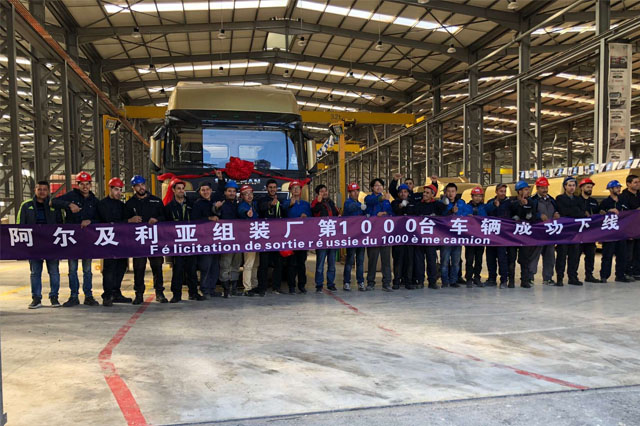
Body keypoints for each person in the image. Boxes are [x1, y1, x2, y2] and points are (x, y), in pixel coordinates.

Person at [51, 171, 100, 307]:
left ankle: (88, 296)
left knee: (87, 270)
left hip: (87, 240)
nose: (85, 187)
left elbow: (100, 218)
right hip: (72, 240)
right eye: (82, 184)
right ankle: (74, 296)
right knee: (72, 269)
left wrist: (91, 221)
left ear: (90, 185)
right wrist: (68, 205)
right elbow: (53, 202)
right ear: (77, 184)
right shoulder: (71, 196)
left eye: (87, 184)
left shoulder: (94, 201)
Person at [18, 181, 63, 309]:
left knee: (54, 272)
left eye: (44, 189)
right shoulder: (26, 206)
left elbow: (62, 224)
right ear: (35, 190)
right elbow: (19, 225)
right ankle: (36, 298)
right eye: (39, 189)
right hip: (34, 245)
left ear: (48, 191)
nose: (42, 191)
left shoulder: (54, 205)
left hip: (52, 244)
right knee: (35, 272)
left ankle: (54, 297)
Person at [124, 175, 167, 304]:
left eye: (142, 184)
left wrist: (157, 219)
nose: (141, 187)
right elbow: (122, 223)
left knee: (157, 267)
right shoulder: (130, 204)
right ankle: (139, 294)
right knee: (139, 268)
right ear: (133, 188)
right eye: (138, 185)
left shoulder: (156, 201)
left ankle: (159, 292)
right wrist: (130, 220)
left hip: (154, 241)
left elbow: (165, 216)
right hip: (139, 242)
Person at [165, 179, 204, 303]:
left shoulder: (192, 204)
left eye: (183, 188)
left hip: (191, 242)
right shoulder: (169, 207)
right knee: (178, 270)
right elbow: (165, 224)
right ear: (173, 190)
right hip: (177, 244)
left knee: (192, 269)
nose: (181, 191)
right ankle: (176, 295)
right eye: (179, 189)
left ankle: (193, 293)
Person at [97, 177, 133, 307]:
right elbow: (109, 221)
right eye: (116, 189)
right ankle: (107, 295)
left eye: (120, 190)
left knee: (121, 267)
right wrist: (127, 222)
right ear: (110, 189)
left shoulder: (122, 206)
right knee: (109, 269)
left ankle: (116, 292)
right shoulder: (102, 205)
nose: (119, 192)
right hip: (108, 242)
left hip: (122, 242)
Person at [253, 179, 286, 296]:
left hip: (277, 236)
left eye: (274, 187)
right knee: (264, 264)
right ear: (267, 188)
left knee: (278, 263)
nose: (272, 189)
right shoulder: (262, 200)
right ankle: (262, 287)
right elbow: (260, 209)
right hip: (265, 236)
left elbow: (284, 215)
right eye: (270, 187)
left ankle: (276, 287)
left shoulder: (280, 201)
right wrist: (269, 205)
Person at [191, 181, 222, 298]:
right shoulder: (198, 204)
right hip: (204, 240)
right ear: (199, 192)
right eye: (203, 190)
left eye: (207, 190)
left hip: (216, 239)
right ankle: (205, 289)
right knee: (206, 266)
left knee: (215, 265)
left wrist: (220, 179)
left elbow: (220, 191)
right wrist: (209, 218)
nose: (205, 192)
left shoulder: (214, 202)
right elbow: (194, 220)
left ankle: (212, 288)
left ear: (211, 191)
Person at [411, 184, 445, 289]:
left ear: (432, 195)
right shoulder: (417, 205)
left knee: (431, 260)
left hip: (431, 239)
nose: (424, 194)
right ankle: (420, 281)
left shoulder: (437, 205)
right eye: (424, 192)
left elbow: (446, 215)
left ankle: (432, 281)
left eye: (427, 193)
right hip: (419, 238)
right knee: (419, 261)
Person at [529, 177, 560, 286]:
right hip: (537, 234)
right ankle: (530, 277)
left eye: (546, 187)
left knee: (550, 256)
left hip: (550, 234)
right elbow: (529, 214)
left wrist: (557, 213)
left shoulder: (552, 200)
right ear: (537, 188)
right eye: (542, 188)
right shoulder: (533, 201)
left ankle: (548, 278)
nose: (545, 190)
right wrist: (538, 216)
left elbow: (557, 210)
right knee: (534, 256)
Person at [364, 178, 393, 291]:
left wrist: (386, 213)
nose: (379, 187)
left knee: (386, 260)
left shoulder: (387, 201)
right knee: (373, 259)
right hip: (373, 234)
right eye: (376, 185)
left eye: (380, 185)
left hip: (385, 234)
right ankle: (370, 282)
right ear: (372, 187)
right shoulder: (369, 198)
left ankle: (386, 282)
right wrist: (377, 214)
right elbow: (371, 204)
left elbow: (391, 212)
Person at [439, 182, 470, 288]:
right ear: (445, 192)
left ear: (456, 192)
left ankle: (453, 280)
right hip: (445, 237)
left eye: (453, 191)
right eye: (448, 191)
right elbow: (440, 216)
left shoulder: (461, 203)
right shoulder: (442, 204)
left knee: (456, 261)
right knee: (444, 261)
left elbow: (467, 213)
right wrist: (450, 211)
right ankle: (445, 281)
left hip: (458, 237)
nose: (451, 193)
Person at [599, 180, 630, 283]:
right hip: (609, 234)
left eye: (619, 187)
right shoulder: (605, 202)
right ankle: (604, 276)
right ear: (610, 189)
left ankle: (620, 275)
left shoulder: (623, 201)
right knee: (607, 255)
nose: (619, 189)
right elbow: (600, 214)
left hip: (621, 233)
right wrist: (608, 211)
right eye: (616, 188)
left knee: (622, 255)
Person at [555, 176, 584, 286]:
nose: (572, 188)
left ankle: (573, 277)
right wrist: (574, 211)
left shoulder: (578, 199)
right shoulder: (560, 198)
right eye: (569, 185)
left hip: (575, 232)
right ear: (565, 186)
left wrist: (572, 212)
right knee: (562, 255)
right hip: (564, 232)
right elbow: (563, 211)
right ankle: (560, 278)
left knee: (574, 255)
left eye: (573, 185)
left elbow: (581, 213)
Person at [485, 183, 514, 288]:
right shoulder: (490, 202)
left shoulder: (509, 203)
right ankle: (491, 278)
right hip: (491, 236)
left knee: (502, 258)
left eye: (504, 191)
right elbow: (485, 212)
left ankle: (503, 280)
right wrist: (494, 206)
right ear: (496, 192)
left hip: (503, 236)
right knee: (490, 258)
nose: (503, 193)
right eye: (501, 191)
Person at [215, 180, 242, 298]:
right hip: (226, 240)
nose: (231, 193)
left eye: (234, 191)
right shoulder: (221, 205)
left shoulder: (238, 205)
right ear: (225, 192)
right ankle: (226, 289)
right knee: (225, 265)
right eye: (229, 191)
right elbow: (214, 213)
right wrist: (216, 209)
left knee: (236, 265)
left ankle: (234, 288)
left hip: (239, 240)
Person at [311, 184, 339, 293]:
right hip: (321, 238)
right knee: (320, 263)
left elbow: (336, 214)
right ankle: (319, 284)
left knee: (332, 263)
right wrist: (318, 202)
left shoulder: (331, 203)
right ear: (318, 193)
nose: (324, 193)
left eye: (325, 190)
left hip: (332, 237)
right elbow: (313, 212)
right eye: (322, 191)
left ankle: (331, 283)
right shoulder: (315, 203)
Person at [510, 181, 537, 288]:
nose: (528, 191)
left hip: (525, 235)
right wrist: (520, 205)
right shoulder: (512, 202)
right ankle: (510, 280)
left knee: (525, 258)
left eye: (528, 189)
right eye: (525, 189)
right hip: (512, 236)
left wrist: (529, 216)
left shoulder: (531, 203)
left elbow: (533, 217)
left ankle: (524, 280)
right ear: (519, 191)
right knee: (511, 258)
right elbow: (509, 215)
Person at [286, 180, 312, 294]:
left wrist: (306, 216)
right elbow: (282, 214)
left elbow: (312, 219)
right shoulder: (285, 203)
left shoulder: (306, 204)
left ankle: (302, 285)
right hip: (291, 237)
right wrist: (289, 205)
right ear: (290, 191)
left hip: (303, 238)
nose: (296, 190)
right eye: (293, 188)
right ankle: (291, 285)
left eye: (298, 188)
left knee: (301, 263)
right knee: (291, 263)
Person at [342, 182, 366, 291]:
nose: (355, 193)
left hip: (360, 236)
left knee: (360, 261)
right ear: (349, 193)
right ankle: (346, 282)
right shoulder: (348, 203)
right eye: (353, 191)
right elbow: (350, 208)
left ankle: (360, 282)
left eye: (357, 191)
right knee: (350, 260)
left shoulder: (360, 203)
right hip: (351, 237)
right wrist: (360, 205)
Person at [391, 183, 416, 290]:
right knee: (398, 259)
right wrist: (401, 206)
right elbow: (395, 210)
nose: (403, 194)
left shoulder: (413, 203)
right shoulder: (394, 203)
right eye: (401, 192)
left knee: (409, 259)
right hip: (398, 237)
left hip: (411, 237)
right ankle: (396, 280)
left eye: (405, 192)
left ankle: (408, 281)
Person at [237, 185, 260, 297]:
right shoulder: (243, 206)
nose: (249, 195)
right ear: (242, 196)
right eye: (246, 193)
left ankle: (254, 284)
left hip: (257, 237)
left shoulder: (254, 205)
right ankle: (247, 287)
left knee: (256, 263)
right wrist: (247, 214)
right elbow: (243, 212)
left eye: (250, 193)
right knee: (249, 263)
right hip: (248, 238)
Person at [577, 178, 600, 283]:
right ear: (581, 188)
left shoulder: (594, 202)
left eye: (591, 187)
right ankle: (573, 276)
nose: (590, 189)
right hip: (578, 234)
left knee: (590, 255)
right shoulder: (576, 201)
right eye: (587, 187)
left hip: (590, 234)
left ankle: (589, 275)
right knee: (575, 256)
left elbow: (598, 215)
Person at [464, 186, 488, 288]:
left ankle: (477, 277)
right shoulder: (466, 207)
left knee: (478, 259)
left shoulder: (484, 207)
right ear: (472, 196)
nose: (477, 198)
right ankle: (469, 278)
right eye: (475, 196)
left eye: (479, 196)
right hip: (469, 238)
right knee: (469, 259)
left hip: (480, 237)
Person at [621, 174, 640, 279]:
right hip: (629, 229)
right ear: (628, 184)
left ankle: (637, 271)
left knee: (638, 251)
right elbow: (625, 213)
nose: (638, 184)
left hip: (639, 228)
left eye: (639, 182)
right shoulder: (623, 196)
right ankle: (627, 272)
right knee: (628, 252)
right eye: (635, 182)